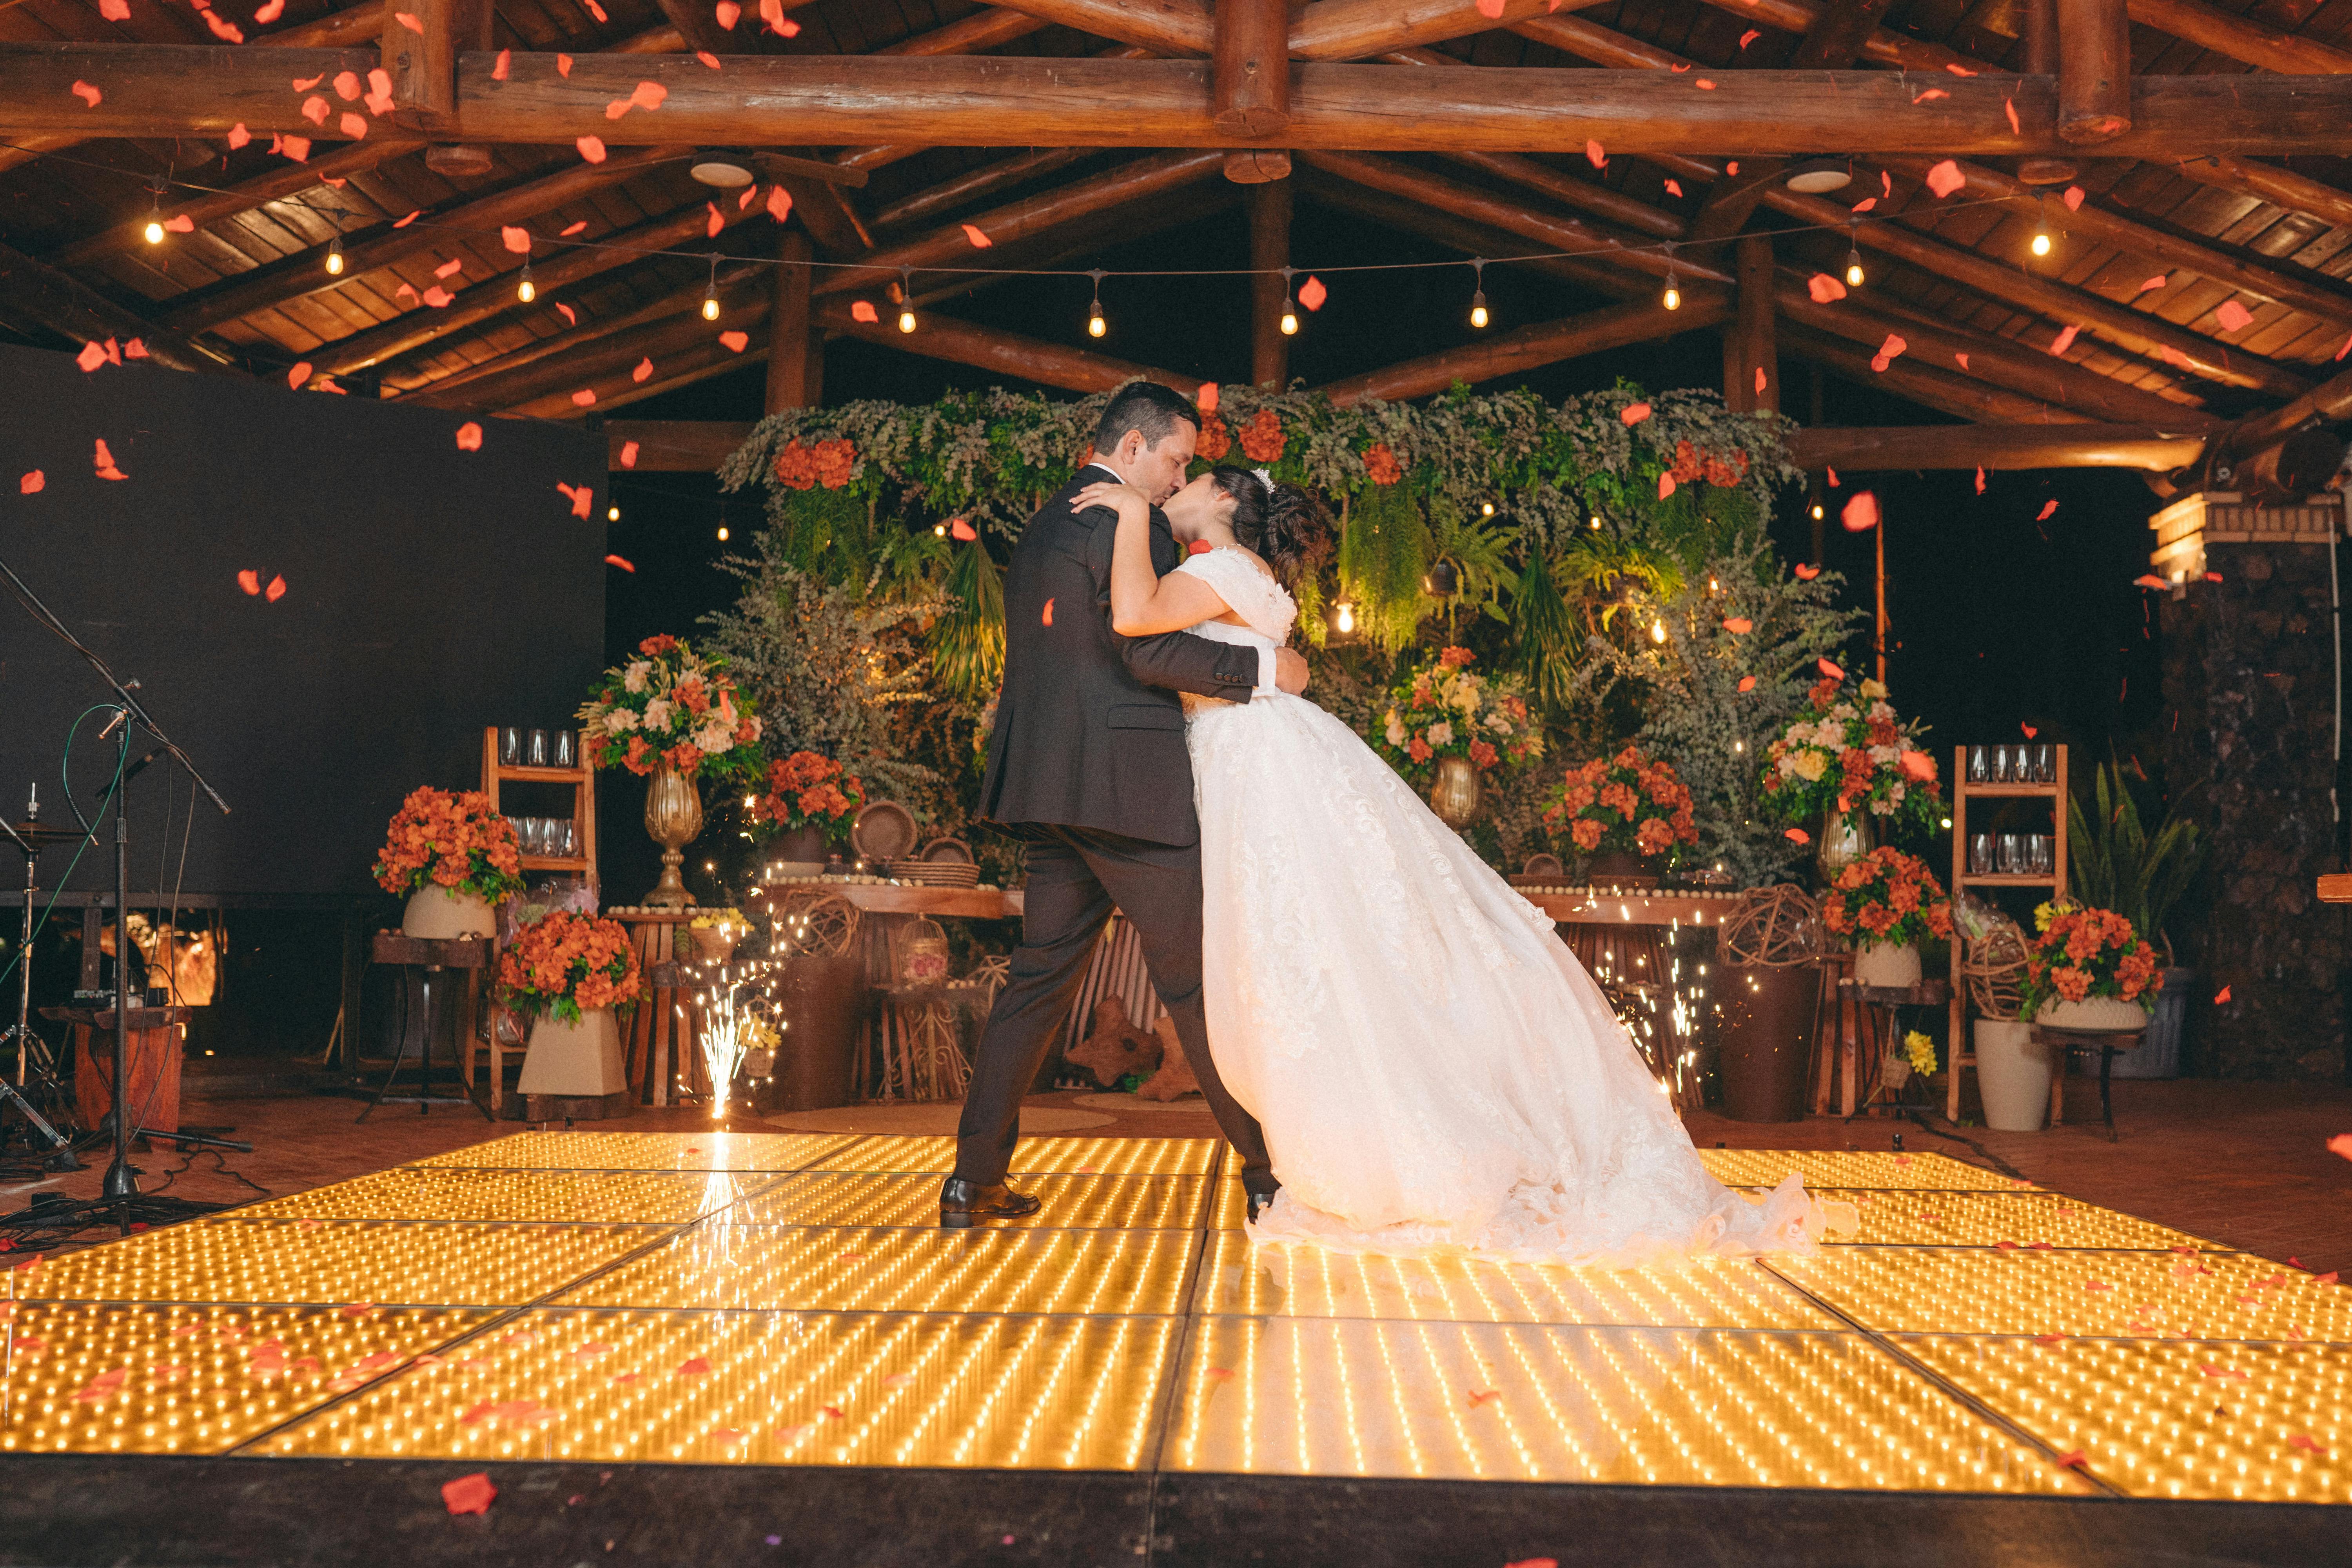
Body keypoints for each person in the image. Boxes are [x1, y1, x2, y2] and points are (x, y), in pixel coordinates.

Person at [1069, 463, 1856, 1262]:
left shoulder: (1218, 565)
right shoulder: (1248, 572)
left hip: (1255, 764)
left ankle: (1389, 1152)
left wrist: (1133, 509)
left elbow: (1134, 615)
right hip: (1263, 756)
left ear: (1229, 502)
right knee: (1328, 945)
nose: (1176, 488)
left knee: (1310, 946)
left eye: (1192, 480)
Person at [942, 382, 1308, 1230]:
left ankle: (973, 1178)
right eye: (1177, 456)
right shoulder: (1128, 520)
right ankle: (1265, 1175)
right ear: (1134, 446)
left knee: (1034, 983)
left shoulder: (1048, 518)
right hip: (1128, 792)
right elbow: (1140, 653)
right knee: (1194, 983)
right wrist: (1261, 673)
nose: (1181, 471)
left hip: (1048, 785)